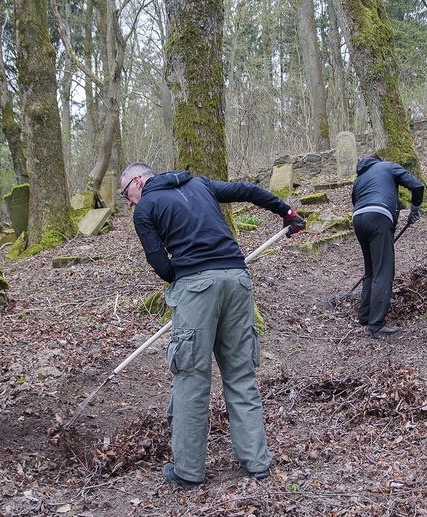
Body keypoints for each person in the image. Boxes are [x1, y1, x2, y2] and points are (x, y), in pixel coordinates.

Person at [119, 162, 305, 489]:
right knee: (240, 373)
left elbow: (160, 264)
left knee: (191, 377)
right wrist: (287, 212)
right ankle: (258, 463)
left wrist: (192, 282)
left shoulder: (146, 207)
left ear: (137, 181)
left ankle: (189, 472)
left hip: (195, 287)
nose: (129, 202)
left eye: (126, 195)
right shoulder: (201, 184)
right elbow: (247, 190)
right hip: (237, 280)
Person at [351, 154, 424, 339]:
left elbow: (355, 201)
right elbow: (417, 185)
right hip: (379, 216)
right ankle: (377, 325)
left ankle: (365, 316)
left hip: (358, 219)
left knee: (371, 271)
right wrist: (414, 209)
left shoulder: (359, 179)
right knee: (383, 271)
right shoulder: (388, 165)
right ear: (379, 160)